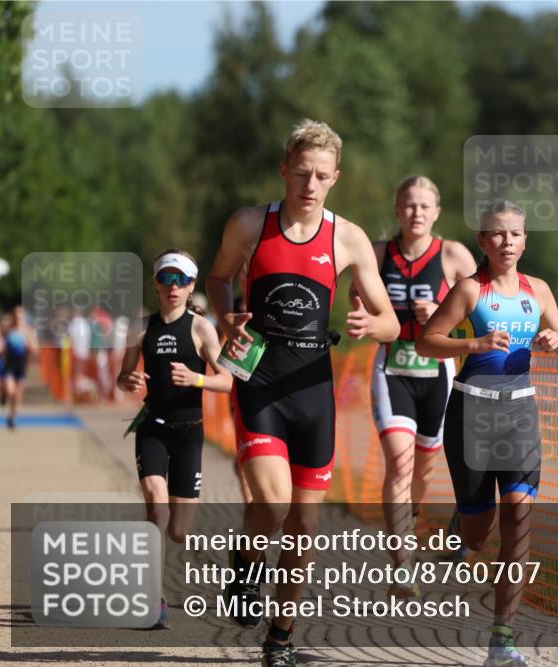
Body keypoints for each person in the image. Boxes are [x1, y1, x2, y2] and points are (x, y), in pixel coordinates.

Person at [206, 119, 398, 667]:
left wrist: (369, 326)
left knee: (305, 526)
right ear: (284, 170)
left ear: (334, 178)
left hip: (315, 390)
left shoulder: (349, 238)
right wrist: (226, 318)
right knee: (272, 502)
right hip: (259, 379)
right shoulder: (250, 224)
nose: (309, 185)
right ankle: (245, 562)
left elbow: (389, 323)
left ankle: (280, 640)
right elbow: (218, 279)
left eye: (320, 176)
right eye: (301, 173)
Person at [417, 199, 558, 667]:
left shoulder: (539, 291)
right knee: (476, 531)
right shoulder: (470, 290)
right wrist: (474, 342)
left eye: (516, 234)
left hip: (520, 416)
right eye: (497, 234)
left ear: (526, 240)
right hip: (472, 413)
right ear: (482, 242)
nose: (507, 242)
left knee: (518, 515)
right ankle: (459, 527)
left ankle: (501, 640)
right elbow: (428, 341)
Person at [359, 174, 476, 595]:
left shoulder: (452, 255)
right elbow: (357, 302)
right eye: (409, 205)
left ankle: (409, 520)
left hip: (437, 374)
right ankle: (401, 565)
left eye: (425, 206)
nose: (417, 213)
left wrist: (446, 314)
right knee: (399, 463)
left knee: (423, 470)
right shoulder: (376, 254)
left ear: (437, 212)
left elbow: (484, 310)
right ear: (397, 209)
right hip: (392, 369)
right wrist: (366, 319)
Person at [117, 249, 233, 628]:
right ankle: (155, 599)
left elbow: (227, 380)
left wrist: (197, 378)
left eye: (180, 280)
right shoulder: (140, 326)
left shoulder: (201, 328)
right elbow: (123, 375)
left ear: (191, 286)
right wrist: (129, 380)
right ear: (156, 283)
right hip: (153, 427)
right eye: (166, 278)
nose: (173, 286)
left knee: (180, 531)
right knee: (157, 508)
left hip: (190, 434)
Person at [1, 306, 39, 429]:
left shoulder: (29, 331)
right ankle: (5, 394)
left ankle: (12, 418)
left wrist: (28, 345)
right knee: (11, 391)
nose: (18, 318)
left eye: (20, 316)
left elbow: (36, 350)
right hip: (10, 365)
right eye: (16, 316)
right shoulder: (8, 330)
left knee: (18, 396)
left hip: (21, 365)